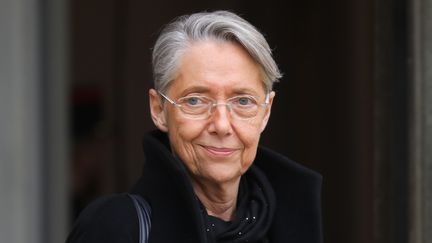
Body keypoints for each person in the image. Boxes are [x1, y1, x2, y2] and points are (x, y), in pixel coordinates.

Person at [66, 10, 323, 243]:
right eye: (195, 100)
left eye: (243, 101)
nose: (222, 125)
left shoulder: (290, 223)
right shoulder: (116, 227)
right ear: (158, 110)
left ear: (266, 112)